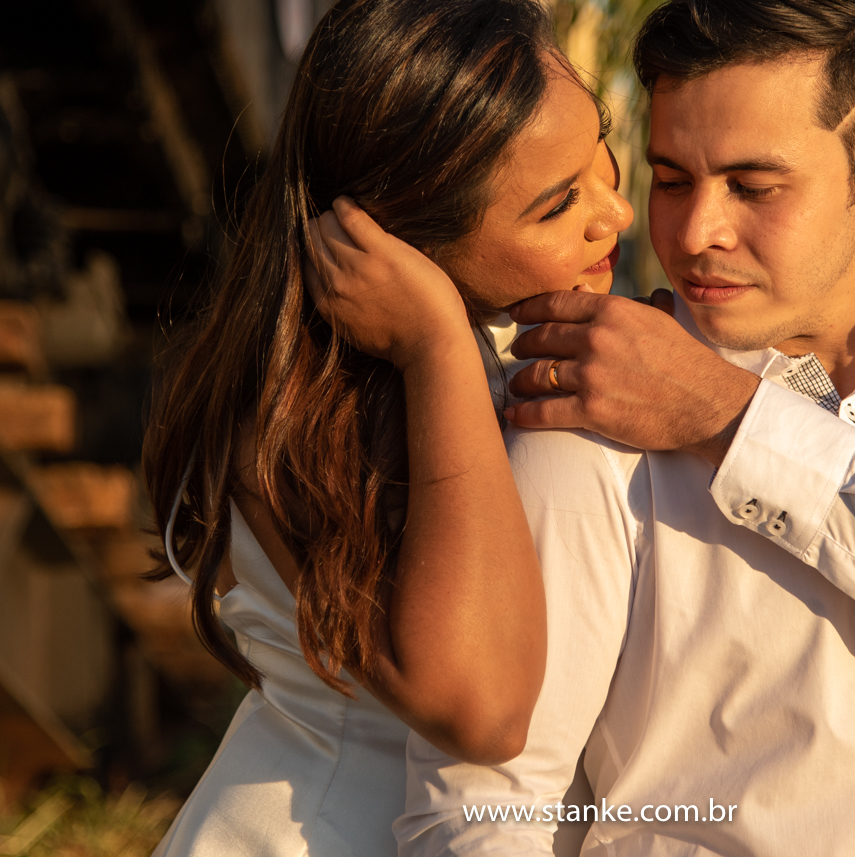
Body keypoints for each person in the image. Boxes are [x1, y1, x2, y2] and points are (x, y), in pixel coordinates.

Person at [315, 0, 855, 854]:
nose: (693, 231)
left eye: (754, 187)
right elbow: (477, 813)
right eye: (671, 177)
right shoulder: (581, 416)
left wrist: (725, 415)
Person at [141, 0, 632, 854]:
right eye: (557, 206)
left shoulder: (448, 364)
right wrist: (436, 343)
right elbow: (481, 708)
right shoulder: (315, 412)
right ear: (402, 239)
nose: (613, 216)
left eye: (606, 162)